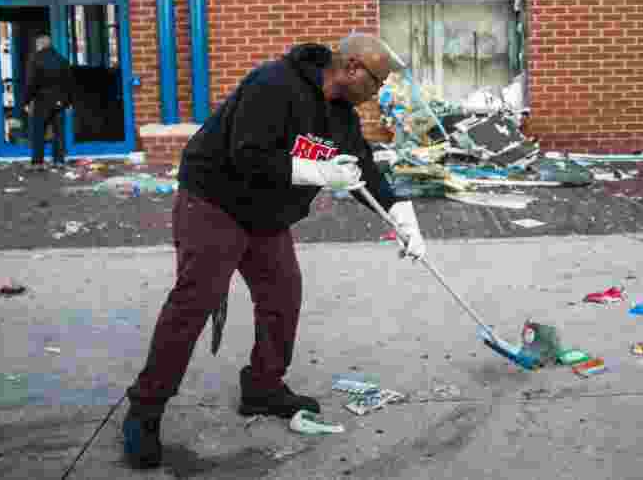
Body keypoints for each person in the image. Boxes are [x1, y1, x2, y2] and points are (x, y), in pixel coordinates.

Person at [122, 33, 427, 469]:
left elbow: (362, 170)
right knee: (197, 299)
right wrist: (317, 170)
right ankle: (145, 409)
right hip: (215, 200)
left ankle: (262, 387)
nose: (377, 95)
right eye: (377, 84)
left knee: (283, 295)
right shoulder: (274, 84)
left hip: (266, 216)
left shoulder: (342, 117)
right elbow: (247, 155)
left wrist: (400, 216)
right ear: (354, 68)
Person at [23, 34, 75, 170]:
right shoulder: (62, 59)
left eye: (37, 45)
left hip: (42, 101)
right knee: (59, 132)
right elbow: (69, 83)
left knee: (39, 131)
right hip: (60, 102)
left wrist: (27, 101)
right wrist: (69, 102)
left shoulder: (36, 59)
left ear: (40, 45)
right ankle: (59, 161)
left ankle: (37, 162)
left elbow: (31, 83)